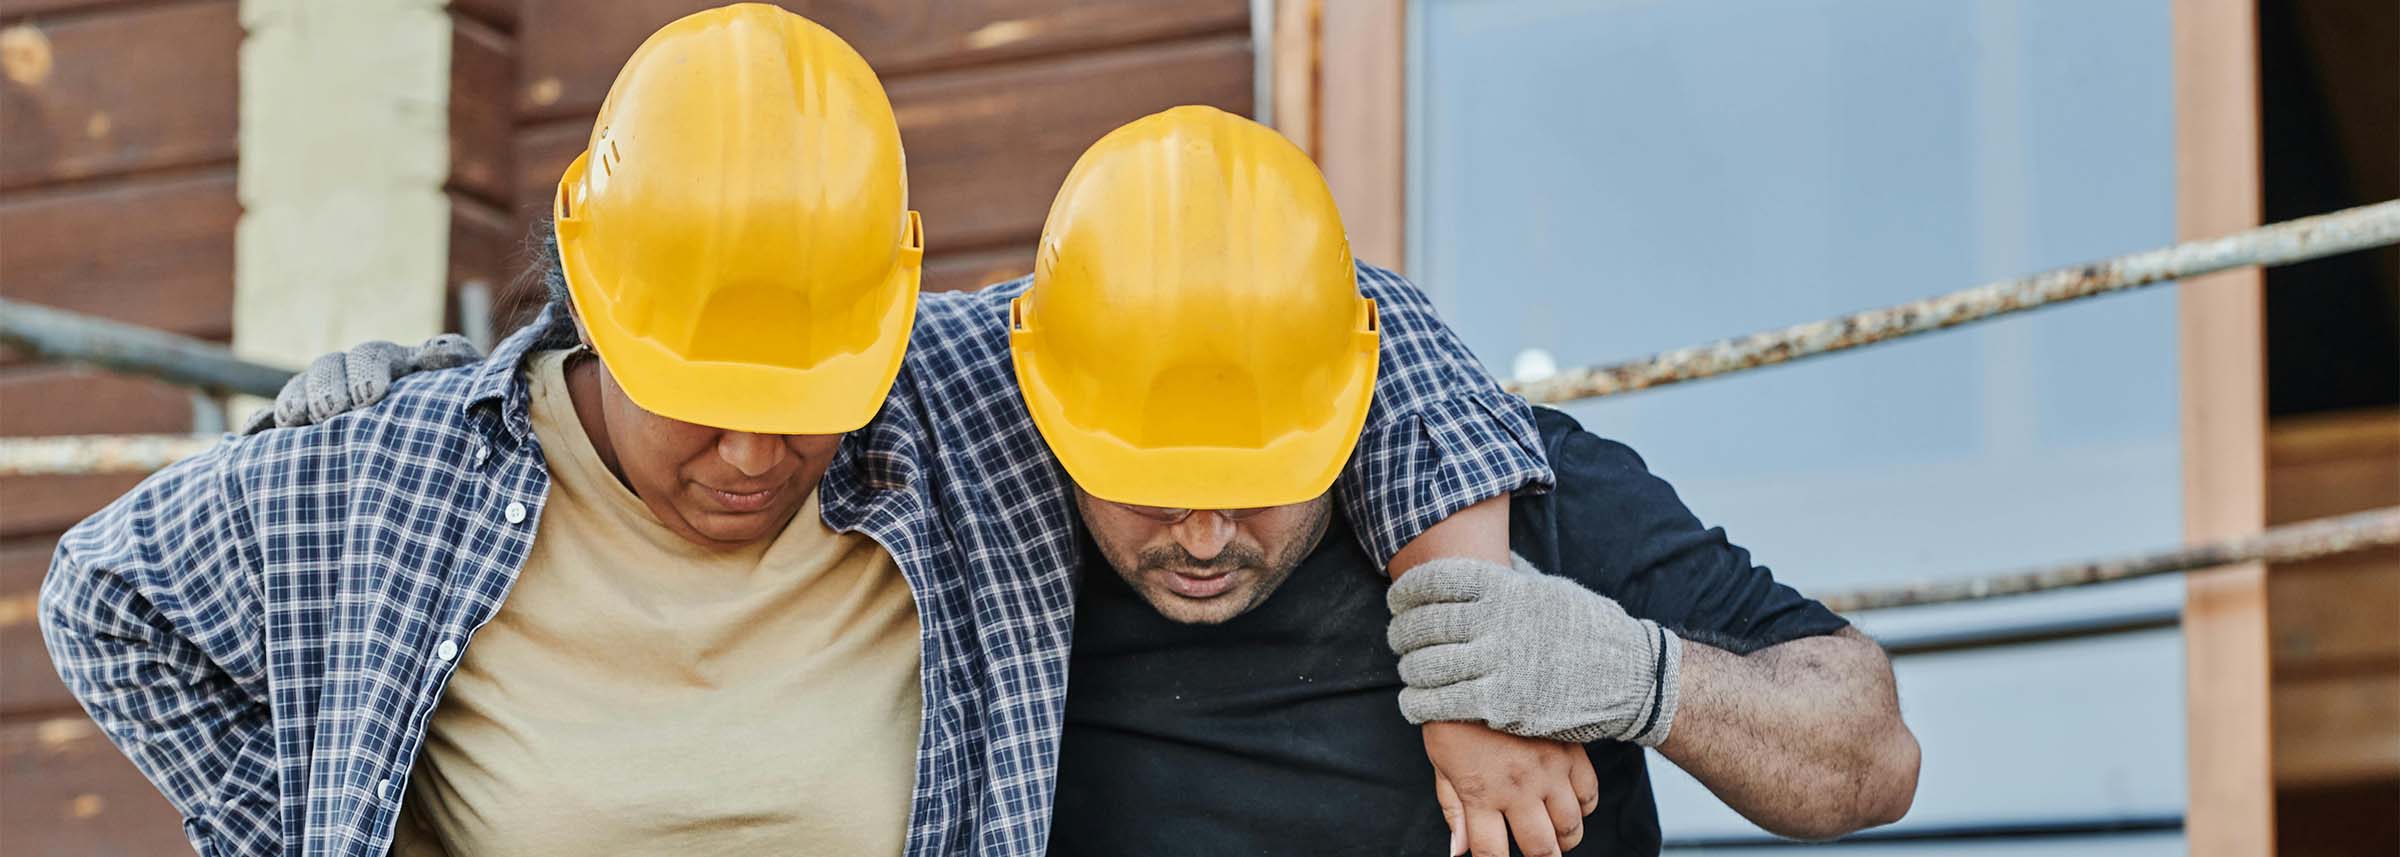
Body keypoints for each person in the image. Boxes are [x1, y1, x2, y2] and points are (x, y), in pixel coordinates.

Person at [39, 10, 1558, 857]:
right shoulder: (404, 473)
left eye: (809, 403)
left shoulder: (948, 395)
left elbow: (1324, 298)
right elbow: (101, 598)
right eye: (704, 401)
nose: (757, 457)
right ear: (593, 311)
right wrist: (311, 833)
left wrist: (1471, 641)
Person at [271, 106, 1921, 856]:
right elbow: (763, 348)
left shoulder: (1520, 485)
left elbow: (1869, 751)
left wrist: (1630, 675)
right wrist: (496, 399)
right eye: (1145, 481)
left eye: (1256, 480)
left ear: (1349, 402)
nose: (1201, 530)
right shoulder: (960, 494)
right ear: (1047, 409)